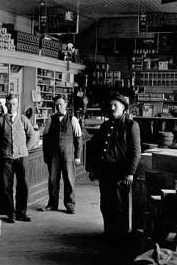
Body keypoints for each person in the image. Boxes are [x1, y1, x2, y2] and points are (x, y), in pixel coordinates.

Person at [88, 94, 141, 240]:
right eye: (110, 105)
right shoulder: (105, 125)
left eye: (115, 105)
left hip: (121, 173)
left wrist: (130, 173)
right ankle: (108, 233)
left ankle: (120, 237)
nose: (112, 108)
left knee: (119, 205)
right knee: (106, 204)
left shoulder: (131, 125)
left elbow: (136, 152)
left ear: (123, 108)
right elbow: (96, 147)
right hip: (105, 172)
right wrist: (93, 168)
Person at [0, 93, 35, 223]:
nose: (12, 106)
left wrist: (25, 149)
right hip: (7, 158)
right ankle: (10, 213)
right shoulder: (0, 120)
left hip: (22, 158)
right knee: (7, 186)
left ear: (18, 105)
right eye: (9, 104)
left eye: (14, 104)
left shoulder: (23, 119)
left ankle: (21, 213)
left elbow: (32, 135)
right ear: (6, 105)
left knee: (23, 185)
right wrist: (1, 152)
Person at [40, 95, 82, 214]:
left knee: (69, 179)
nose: (59, 107)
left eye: (61, 104)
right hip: (54, 156)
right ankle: (52, 204)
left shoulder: (73, 119)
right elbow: (46, 139)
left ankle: (70, 205)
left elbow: (78, 138)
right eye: (57, 105)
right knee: (53, 180)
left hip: (68, 155)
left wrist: (77, 156)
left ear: (66, 105)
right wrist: (46, 155)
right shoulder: (50, 119)